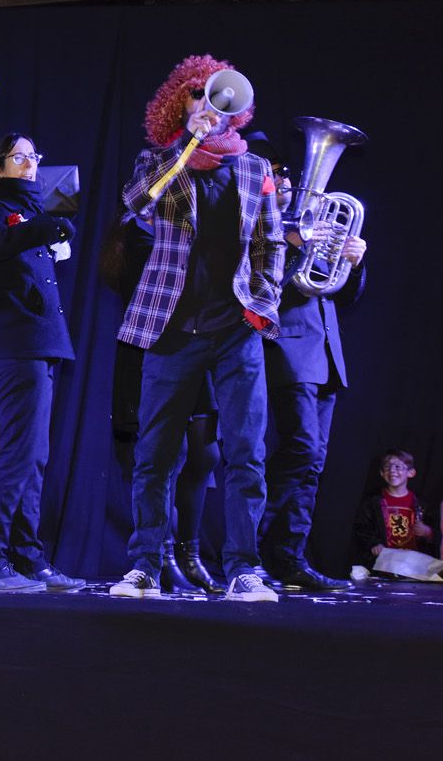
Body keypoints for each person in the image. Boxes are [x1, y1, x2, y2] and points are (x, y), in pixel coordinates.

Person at [108, 55, 285, 602]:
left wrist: (263, 302)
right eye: (194, 93)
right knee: (155, 454)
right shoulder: (158, 161)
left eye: (215, 93)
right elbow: (135, 201)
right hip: (171, 327)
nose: (208, 101)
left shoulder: (254, 168)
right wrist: (187, 143)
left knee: (246, 454)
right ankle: (145, 565)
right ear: (176, 105)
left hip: (236, 329)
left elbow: (270, 242)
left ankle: (244, 569)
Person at [247, 130, 367, 592]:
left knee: (313, 462)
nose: (285, 181)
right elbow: (267, 290)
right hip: (289, 349)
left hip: (326, 352)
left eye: (286, 173)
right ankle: (249, 545)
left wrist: (352, 261)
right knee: (300, 449)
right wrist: (298, 245)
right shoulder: (261, 223)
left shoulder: (310, 221)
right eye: (276, 174)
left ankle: (289, 557)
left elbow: (340, 293)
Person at [0, 133, 82, 593]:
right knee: (18, 455)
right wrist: (44, 228)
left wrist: (46, 227)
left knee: (35, 458)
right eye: (19, 157)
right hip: (16, 346)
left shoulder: (33, 213)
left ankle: (29, 558)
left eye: (33, 156)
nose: (30, 163)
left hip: (41, 345)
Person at [99, 214, 224, 595]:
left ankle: (189, 554)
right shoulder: (136, 235)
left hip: (191, 353)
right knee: (168, 457)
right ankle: (161, 556)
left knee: (205, 453)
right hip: (152, 354)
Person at [352, 450, 435, 567]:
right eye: (387, 467)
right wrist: (374, 544)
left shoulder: (421, 503)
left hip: (414, 565)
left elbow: (436, 529)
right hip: (384, 563)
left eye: (398, 466)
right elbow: (362, 528)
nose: (392, 470)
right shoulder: (373, 502)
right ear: (382, 473)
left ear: (410, 473)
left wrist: (428, 531)